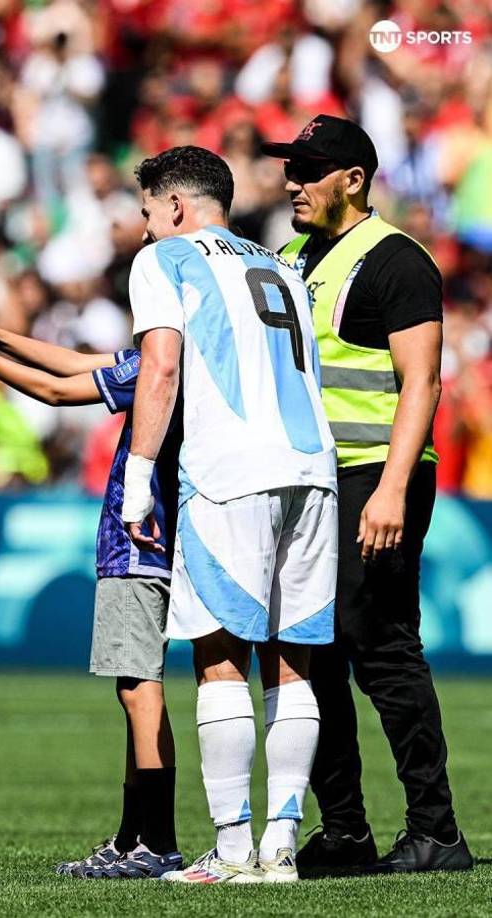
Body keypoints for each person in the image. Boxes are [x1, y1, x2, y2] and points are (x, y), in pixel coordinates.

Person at [261, 114, 473, 874]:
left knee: (381, 648)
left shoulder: (396, 261)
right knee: (307, 650)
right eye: (290, 166)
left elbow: (424, 380)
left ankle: (437, 831)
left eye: (309, 169)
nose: (292, 181)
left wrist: (389, 487)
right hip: (312, 479)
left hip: (377, 474)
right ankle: (345, 830)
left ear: (353, 180)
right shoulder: (288, 258)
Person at [121, 145, 338, 884]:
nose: (145, 228)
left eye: (148, 212)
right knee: (292, 662)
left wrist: (139, 480)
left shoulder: (167, 260)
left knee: (218, 659)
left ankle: (233, 848)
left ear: (176, 207)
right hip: (314, 471)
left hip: (230, 473)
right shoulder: (283, 264)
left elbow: (162, 365)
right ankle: (282, 847)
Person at [0, 299, 184, 879]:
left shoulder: (165, 361)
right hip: (169, 535)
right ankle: (134, 837)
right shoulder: (182, 357)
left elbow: (57, 392)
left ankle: (157, 841)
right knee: (137, 684)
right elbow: (75, 362)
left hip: (141, 537)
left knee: (138, 685)